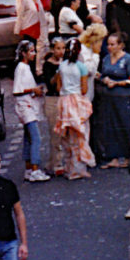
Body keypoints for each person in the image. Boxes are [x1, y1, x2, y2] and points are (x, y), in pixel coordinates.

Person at [95, 32, 130, 168]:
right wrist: (103, 79)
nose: (109, 47)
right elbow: (103, 74)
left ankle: (126, 156)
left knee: (124, 125)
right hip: (108, 97)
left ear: (121, 45)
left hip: (124, 97)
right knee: (110, 126)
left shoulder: (128, 59)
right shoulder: (106, 59)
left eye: (113, 44)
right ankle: (112, 156)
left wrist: (117, 83)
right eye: (108, 44)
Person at [55, 38, 95, 180]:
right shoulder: (81, 67)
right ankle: (79, 168)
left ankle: (69, 168)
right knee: (81, 135)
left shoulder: (62, 66)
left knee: (67, 137)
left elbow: (58, 87)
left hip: (64, 101)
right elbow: (84, 89)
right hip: (77, 101)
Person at [13, 40, 51, 181]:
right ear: (24, 53)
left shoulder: (25, 68)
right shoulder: (22, 68)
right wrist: (33, 90)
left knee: (29, 138)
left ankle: (29, 168)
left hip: (28, 105)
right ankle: (35, 169)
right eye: (31, 51)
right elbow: (17, 91)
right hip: (25, 107)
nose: (34, 54)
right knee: (35, 138)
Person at [42, 36, 67, 175]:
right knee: (55, 132)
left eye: (63, 48)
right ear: (52, 50)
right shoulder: (48, 65)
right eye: (58, 48)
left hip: (65, 98)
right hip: (53, 99)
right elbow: (50, 83)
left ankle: (55, 161)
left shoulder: (66, 62)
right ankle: (56, 163)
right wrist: (59, 72)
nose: (61, 51)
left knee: (65, 132)